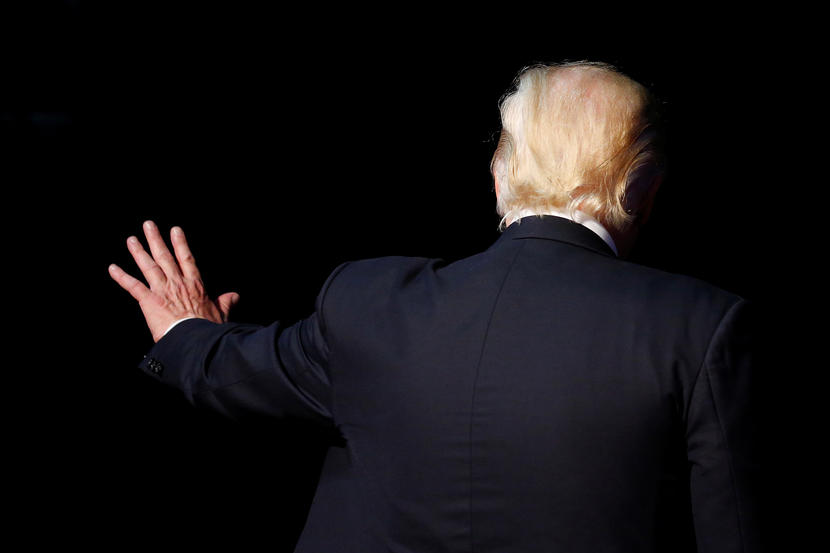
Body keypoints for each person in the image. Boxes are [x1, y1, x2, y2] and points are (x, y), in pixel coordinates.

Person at [109, 61, 760, 552]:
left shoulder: (369, 305)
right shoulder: (699, 328)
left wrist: (183, 333)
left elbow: (220, 368)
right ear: (644, 189)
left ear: (500, 176)